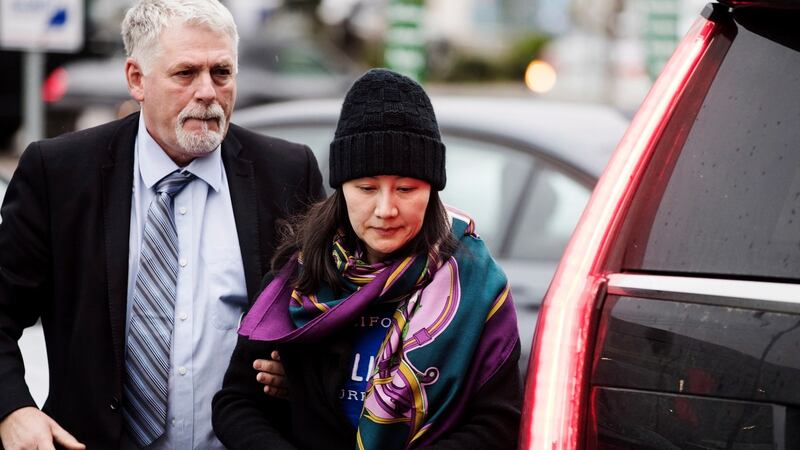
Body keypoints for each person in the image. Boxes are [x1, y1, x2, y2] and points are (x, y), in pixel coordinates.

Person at [0, 0, 323, 448]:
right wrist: (12, 409)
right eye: (186, 73)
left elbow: (329, 313)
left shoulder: (287, 172)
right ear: (137, 79)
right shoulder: (60, 174)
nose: (207, 92)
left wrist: (303, 372)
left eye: (222, 73)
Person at [212, 68, 521, 449]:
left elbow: (498, 423)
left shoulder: (475, 285)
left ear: (432, 189)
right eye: (366, 188)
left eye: (406, 188)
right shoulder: (301, 274)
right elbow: (237, 403)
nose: (385, 209)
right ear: (341, 188)